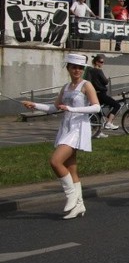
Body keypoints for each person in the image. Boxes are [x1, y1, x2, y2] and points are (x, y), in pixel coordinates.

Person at [21, 53, 100, 219]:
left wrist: (72, 109)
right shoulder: (66, 87)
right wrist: (34, 105)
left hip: (78, 128)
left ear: (83, 69)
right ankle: (79, 205)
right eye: (74, 67)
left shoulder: (87, 85)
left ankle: (71, 195)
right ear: (68, 68)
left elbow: (96, 108)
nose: (77, 70)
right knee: (71, 169)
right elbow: (54, 107)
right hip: (66, 127)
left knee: (55, 161)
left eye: (80, 68)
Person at [84, 54, 121, 130]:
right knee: (117, 105)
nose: (102, 64)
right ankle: (109, 123)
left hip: (95, 93)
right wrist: (107, 80)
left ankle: (97, 131)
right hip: (101, 93)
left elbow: (89, 81)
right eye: (101, 62)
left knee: (98, 112)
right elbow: (105, 81)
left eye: (103, 62)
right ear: (96, 62)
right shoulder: (98, 71)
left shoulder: (90, 70)